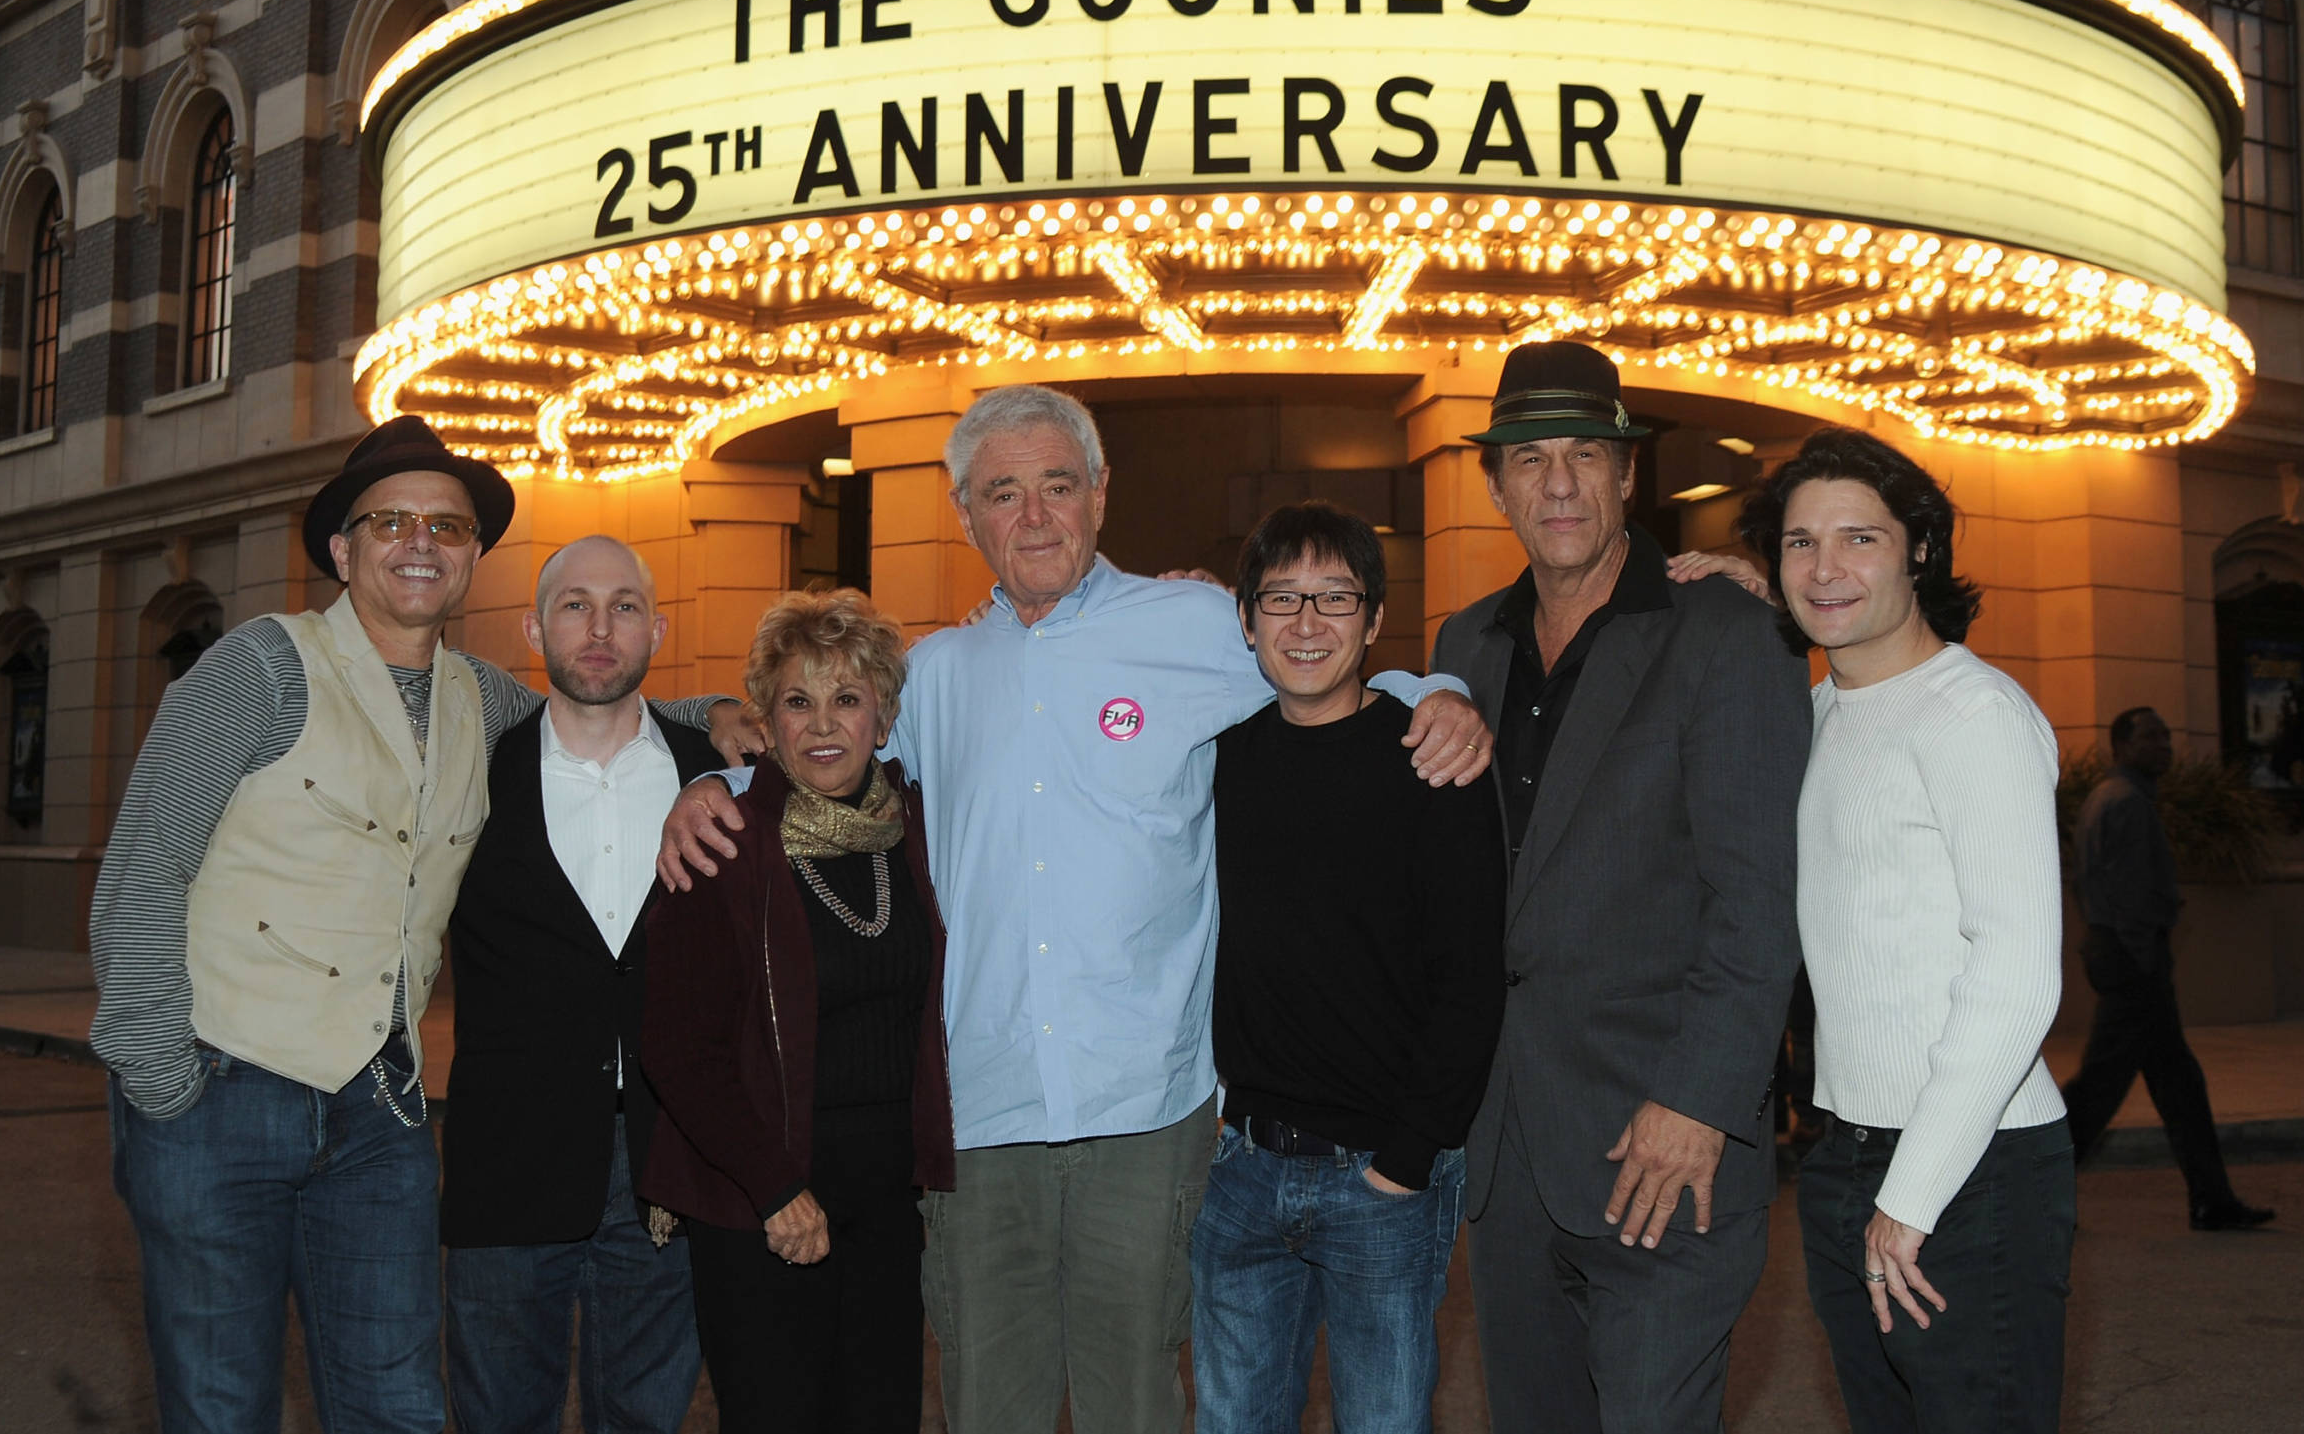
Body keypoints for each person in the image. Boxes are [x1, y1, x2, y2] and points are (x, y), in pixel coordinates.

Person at [657, 383, 1493, 1434]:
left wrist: (1435, 694)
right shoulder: (937, 673)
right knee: (988, 1401)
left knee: (1134, 1403)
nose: (1035, 514)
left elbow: (1319, 657)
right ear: (966, 514)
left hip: (1147, 1109)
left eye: (1057, 484)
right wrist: (712, 787)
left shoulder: (1191, 625)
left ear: (1100, 495)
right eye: (1003, 493)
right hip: (982, 1115)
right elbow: (825, 755)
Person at [88, 415, 743, 1433]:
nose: (420, 542)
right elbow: (141, 869)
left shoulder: (481, 699)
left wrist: (725, 734)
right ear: (343, 551)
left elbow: (601, 715)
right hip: (221, 1094)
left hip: (377, 1119)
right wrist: (164, 1083)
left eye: (446, 525)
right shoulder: (255, 667)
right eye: (389, 521)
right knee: (221, 1404)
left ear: (474, 558)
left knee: (397, 1403)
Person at [1429, 342, 1808, 1434]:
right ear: (1495, 483)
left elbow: (1760, 900)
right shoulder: (1464, 642)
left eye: (1584, 455)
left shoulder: (1727, 634)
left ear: (1626, 474)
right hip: (1507, 1153)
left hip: (1663, 1147)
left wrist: (1698, 1099)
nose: (1558, 484)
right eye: (1531, 458)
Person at [1737, 425, 2075, 1434]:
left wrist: (1913, 1193)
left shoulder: (1973, 715)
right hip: (1846, 1156)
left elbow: (2017, 972)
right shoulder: (1824, 713)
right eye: (1800, 543)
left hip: (1970, 1170)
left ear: (1919, 548)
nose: (1825, 568)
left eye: (1860, 538)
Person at [1190, 501, 1506, 1434]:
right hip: (1239, 1167)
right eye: (1281, 599)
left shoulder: (1431, 757)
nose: (1307, 624)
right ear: (1246, 621)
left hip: (1384, 1173)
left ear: (1373, 621)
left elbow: (1473, 973)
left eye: (1335, 598)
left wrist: (1409, 1158)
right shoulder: (1218, 760)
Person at [641, 588, 956, 1433]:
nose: (823, 723)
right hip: (763, 1199)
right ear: (768, 723)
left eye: (847, 698)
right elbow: (675, 1043)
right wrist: (778, 1188)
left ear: (883, 718)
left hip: (888, 1206)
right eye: (798, 700)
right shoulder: (723, 843)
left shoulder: (919, 832)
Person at [440, 537, 723, 1434]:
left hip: (669, 1165)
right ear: (534, 627)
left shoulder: (718, 777)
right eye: (574, 605)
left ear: (658, 628)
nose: (600, 628)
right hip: (506, 1162)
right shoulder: (468, 773)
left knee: (645, 1417)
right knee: (497, 1418)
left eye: (625, 606)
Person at [2061, 707, 2274, 1231]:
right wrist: (2144, 957)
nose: (2164, 745)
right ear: (2121, 746)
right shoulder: (2127, 804)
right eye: (2151, 737)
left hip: (2121, 954)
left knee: (2178, 1086)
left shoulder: (2109, 799)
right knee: (2099, 1089)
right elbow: (2130, 894)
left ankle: (2212, 1199)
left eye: (2166, 734)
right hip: (2134, 962)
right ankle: (2031, 1191)